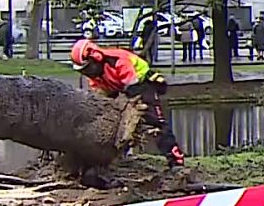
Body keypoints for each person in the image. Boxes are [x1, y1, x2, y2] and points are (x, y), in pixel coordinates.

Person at [70, 39, 186, 167]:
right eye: (83, 71)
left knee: (154, 122)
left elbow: (133, 88)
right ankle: (114, 157)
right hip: (122, 88)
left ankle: (175, 159)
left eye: (87, 68)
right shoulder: (94, 75)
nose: (87, 73)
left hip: (142, 83)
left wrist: (127, 110)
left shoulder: (118, 61)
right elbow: (100, 95)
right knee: (112, 121)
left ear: (96, 57)